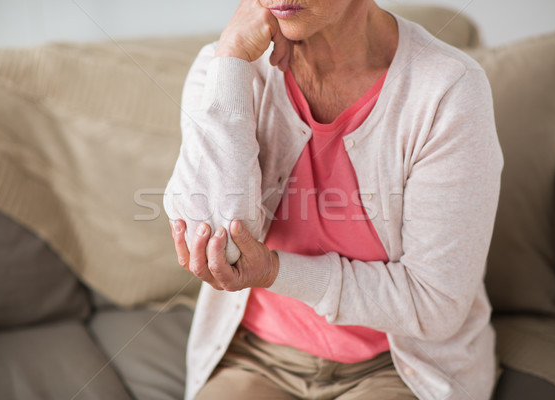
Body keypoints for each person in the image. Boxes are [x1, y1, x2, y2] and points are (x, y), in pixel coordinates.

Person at [163, 0, 503, 398]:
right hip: (257, 357)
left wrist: (275, 270)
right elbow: (218, 244)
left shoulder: (447, 89)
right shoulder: (225, 67)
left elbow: (434, 304)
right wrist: (232, 59)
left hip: (398, 365)